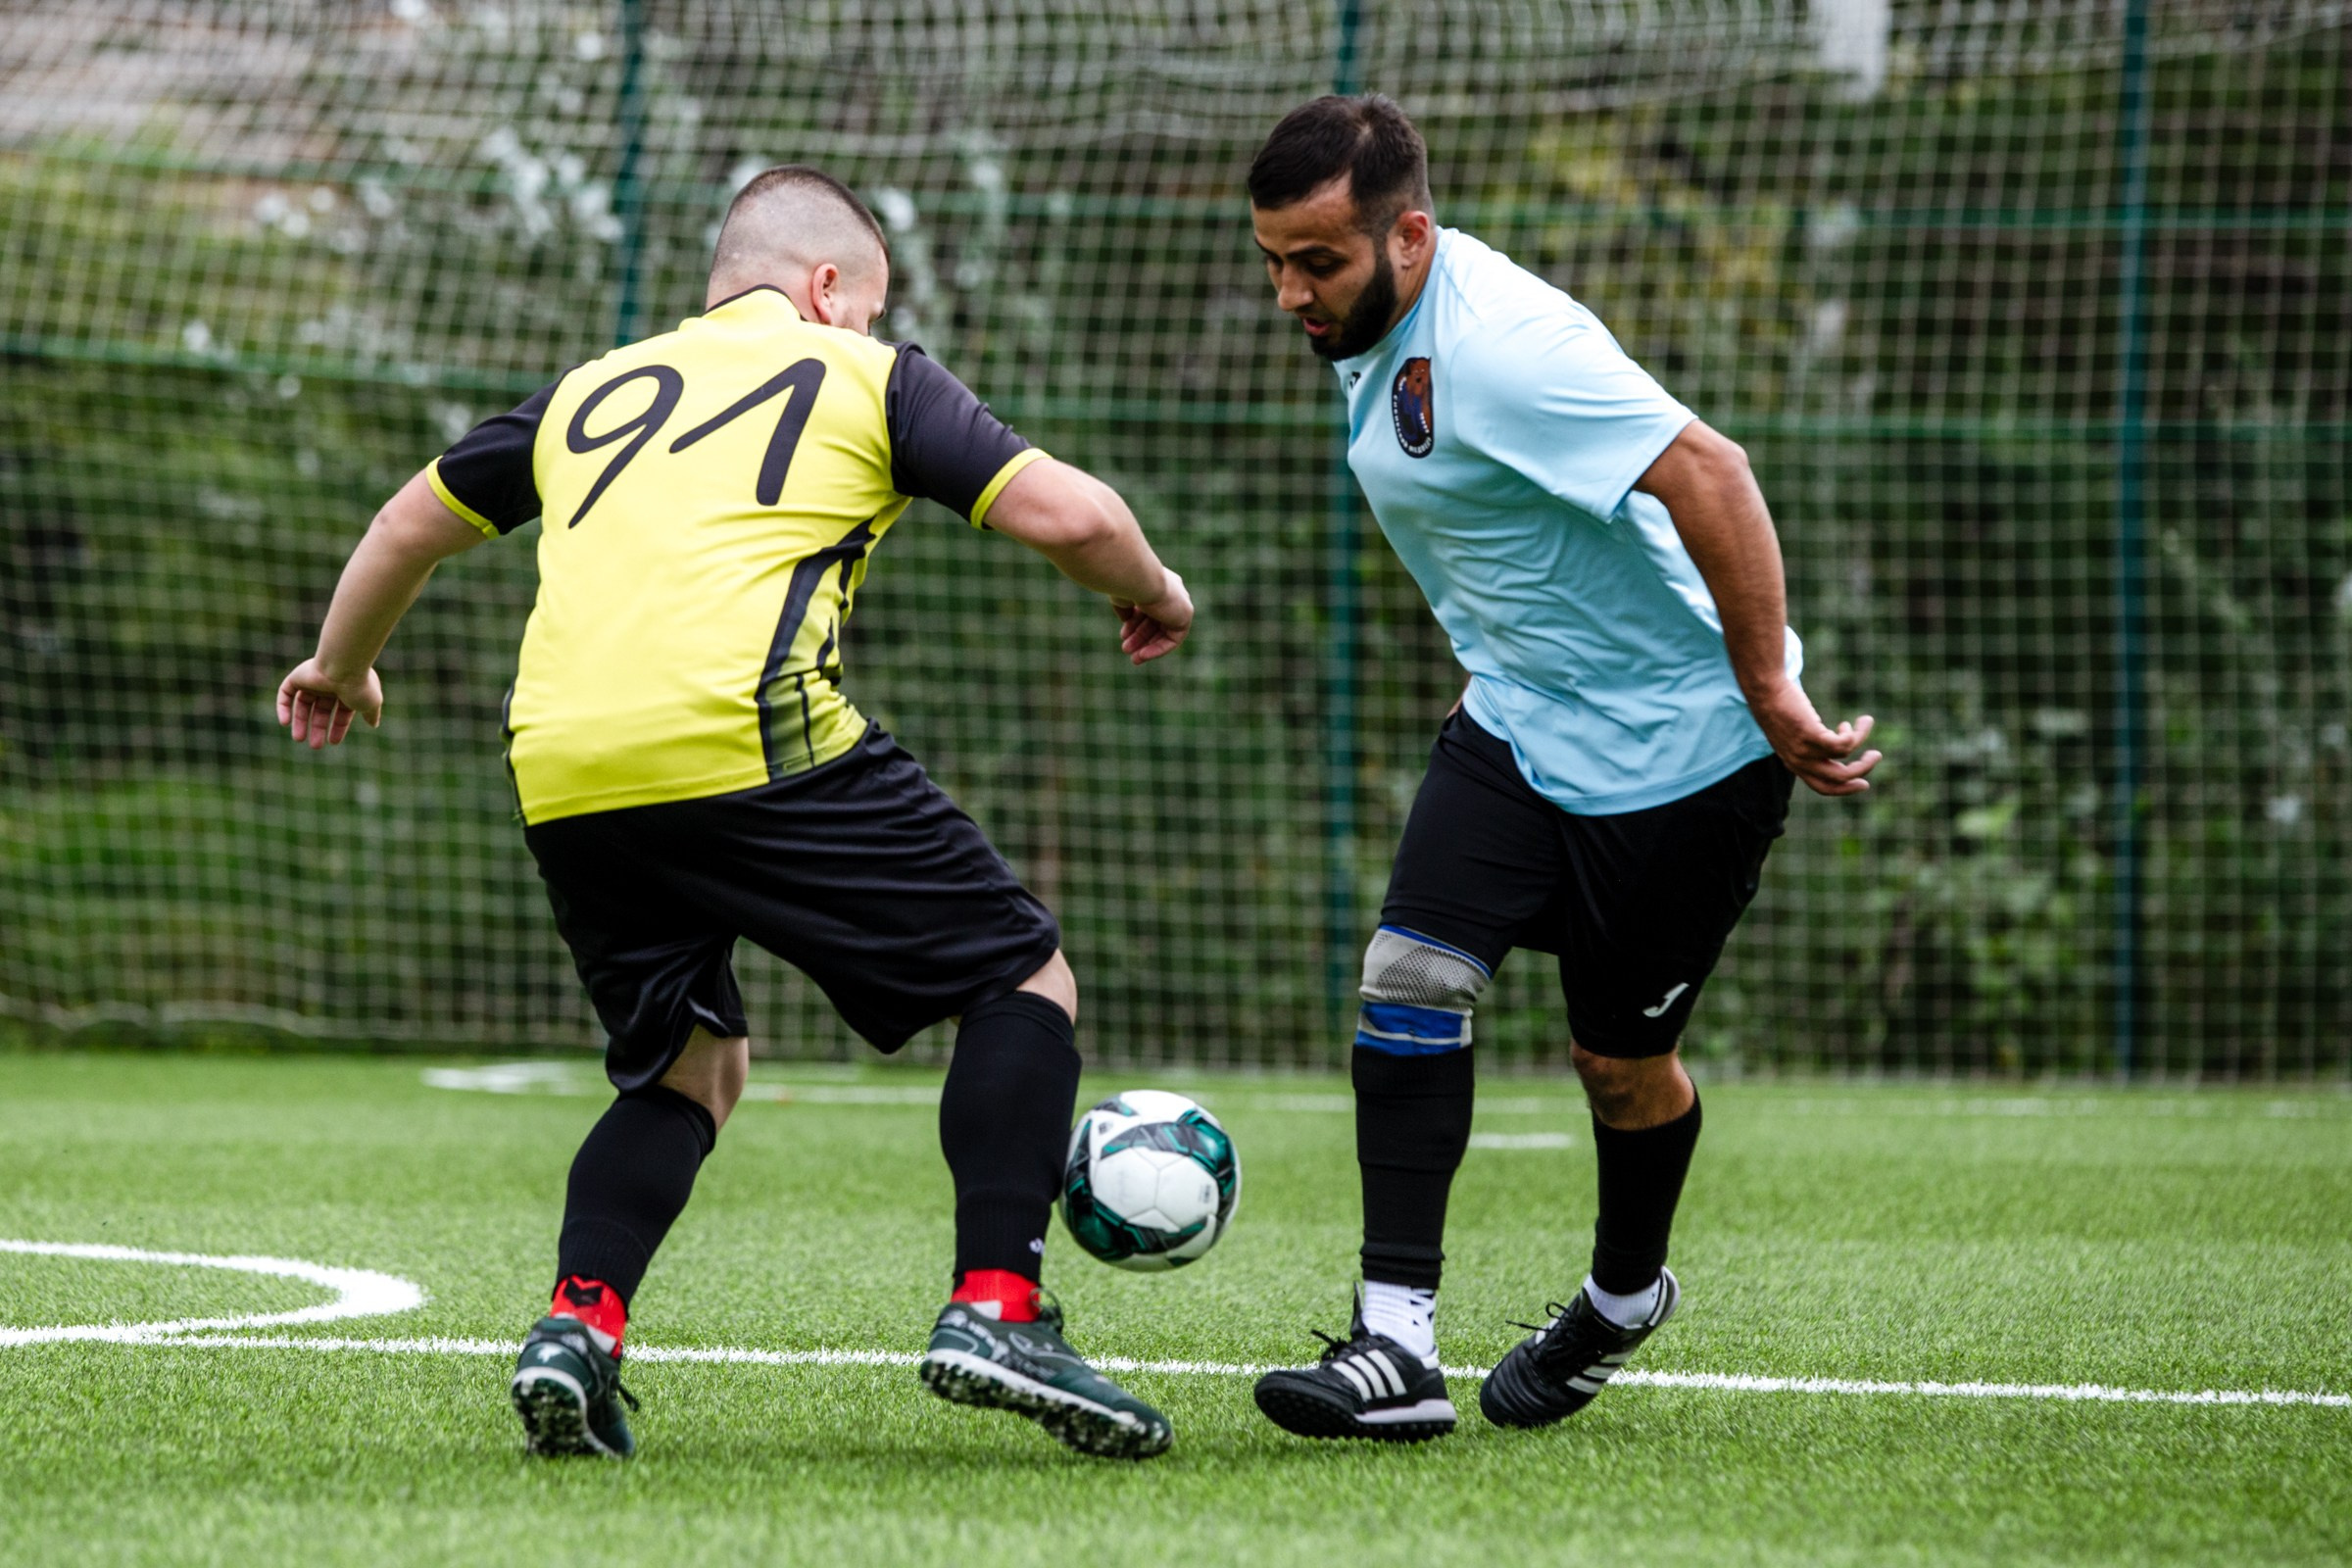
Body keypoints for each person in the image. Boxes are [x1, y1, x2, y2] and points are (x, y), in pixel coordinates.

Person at [275, 166, 1194, 1462]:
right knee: (1021, 976)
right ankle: (998, 1307)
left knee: (687, 1067)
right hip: (748, 734)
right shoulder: (866, 377)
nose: (868, 331)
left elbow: (407, 523)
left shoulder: (590, 392)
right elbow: (1075, 514)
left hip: (563, 766)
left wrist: (337, 665)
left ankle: (576, 1329)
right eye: (865, 310)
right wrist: (1156, 589)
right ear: (827, 290)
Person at [1242, 97, 1880, 1441]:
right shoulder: (1377, 324)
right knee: (1409, 978)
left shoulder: (1506, 348)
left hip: (1683, 752)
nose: (1289, 292)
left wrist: (1769, 688)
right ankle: (1394, 1348)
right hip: (1521, 722)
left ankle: (1624, 1294)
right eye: (1274, 262)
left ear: (1409, 235)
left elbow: (1712, 471)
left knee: (1619, 1066)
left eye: (1318, 263)